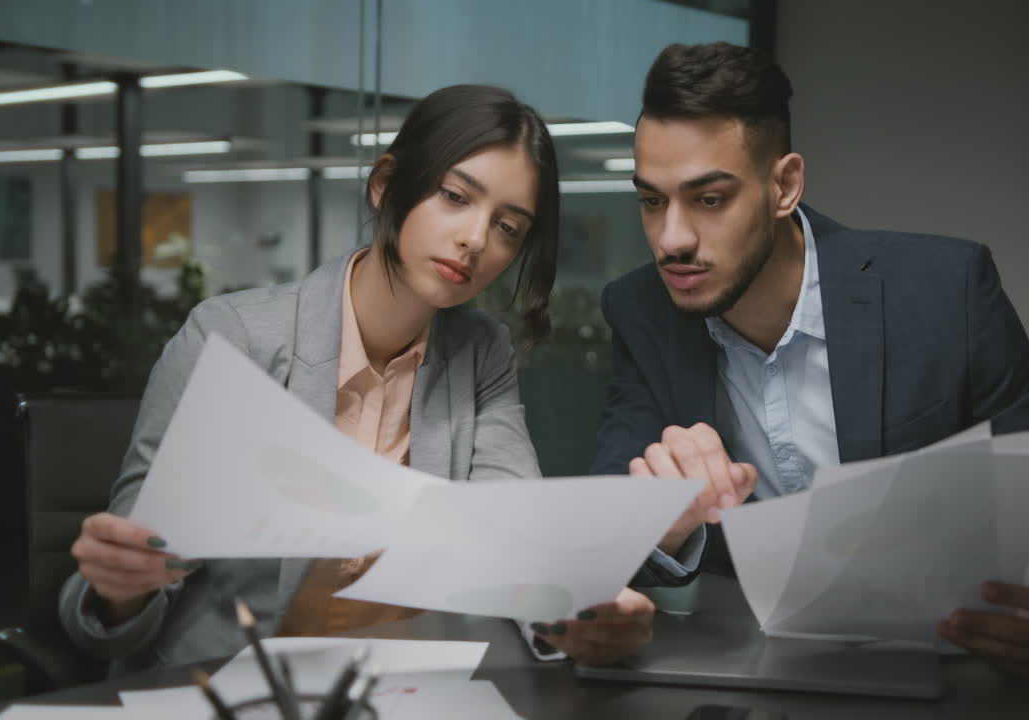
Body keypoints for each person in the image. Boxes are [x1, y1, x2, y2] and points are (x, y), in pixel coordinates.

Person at [585, 42, 1029, 677]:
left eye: (709, 199)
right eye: (652, 201)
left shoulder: (946, 291)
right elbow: (608, 533)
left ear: (784, 186)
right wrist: (663, 520)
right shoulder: (640, 310)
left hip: (958, 665)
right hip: (763, 669)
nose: (672, 239)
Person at [60, 84, 653, 675]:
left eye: (508, 228)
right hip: (227, 683)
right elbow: (122, 577)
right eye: (454, 197)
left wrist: (575, 612)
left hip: (394, 687)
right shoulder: (234, 338)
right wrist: (120, 587)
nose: (476, 238)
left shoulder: (480, 352)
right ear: (386, 184)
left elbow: (514, 530)